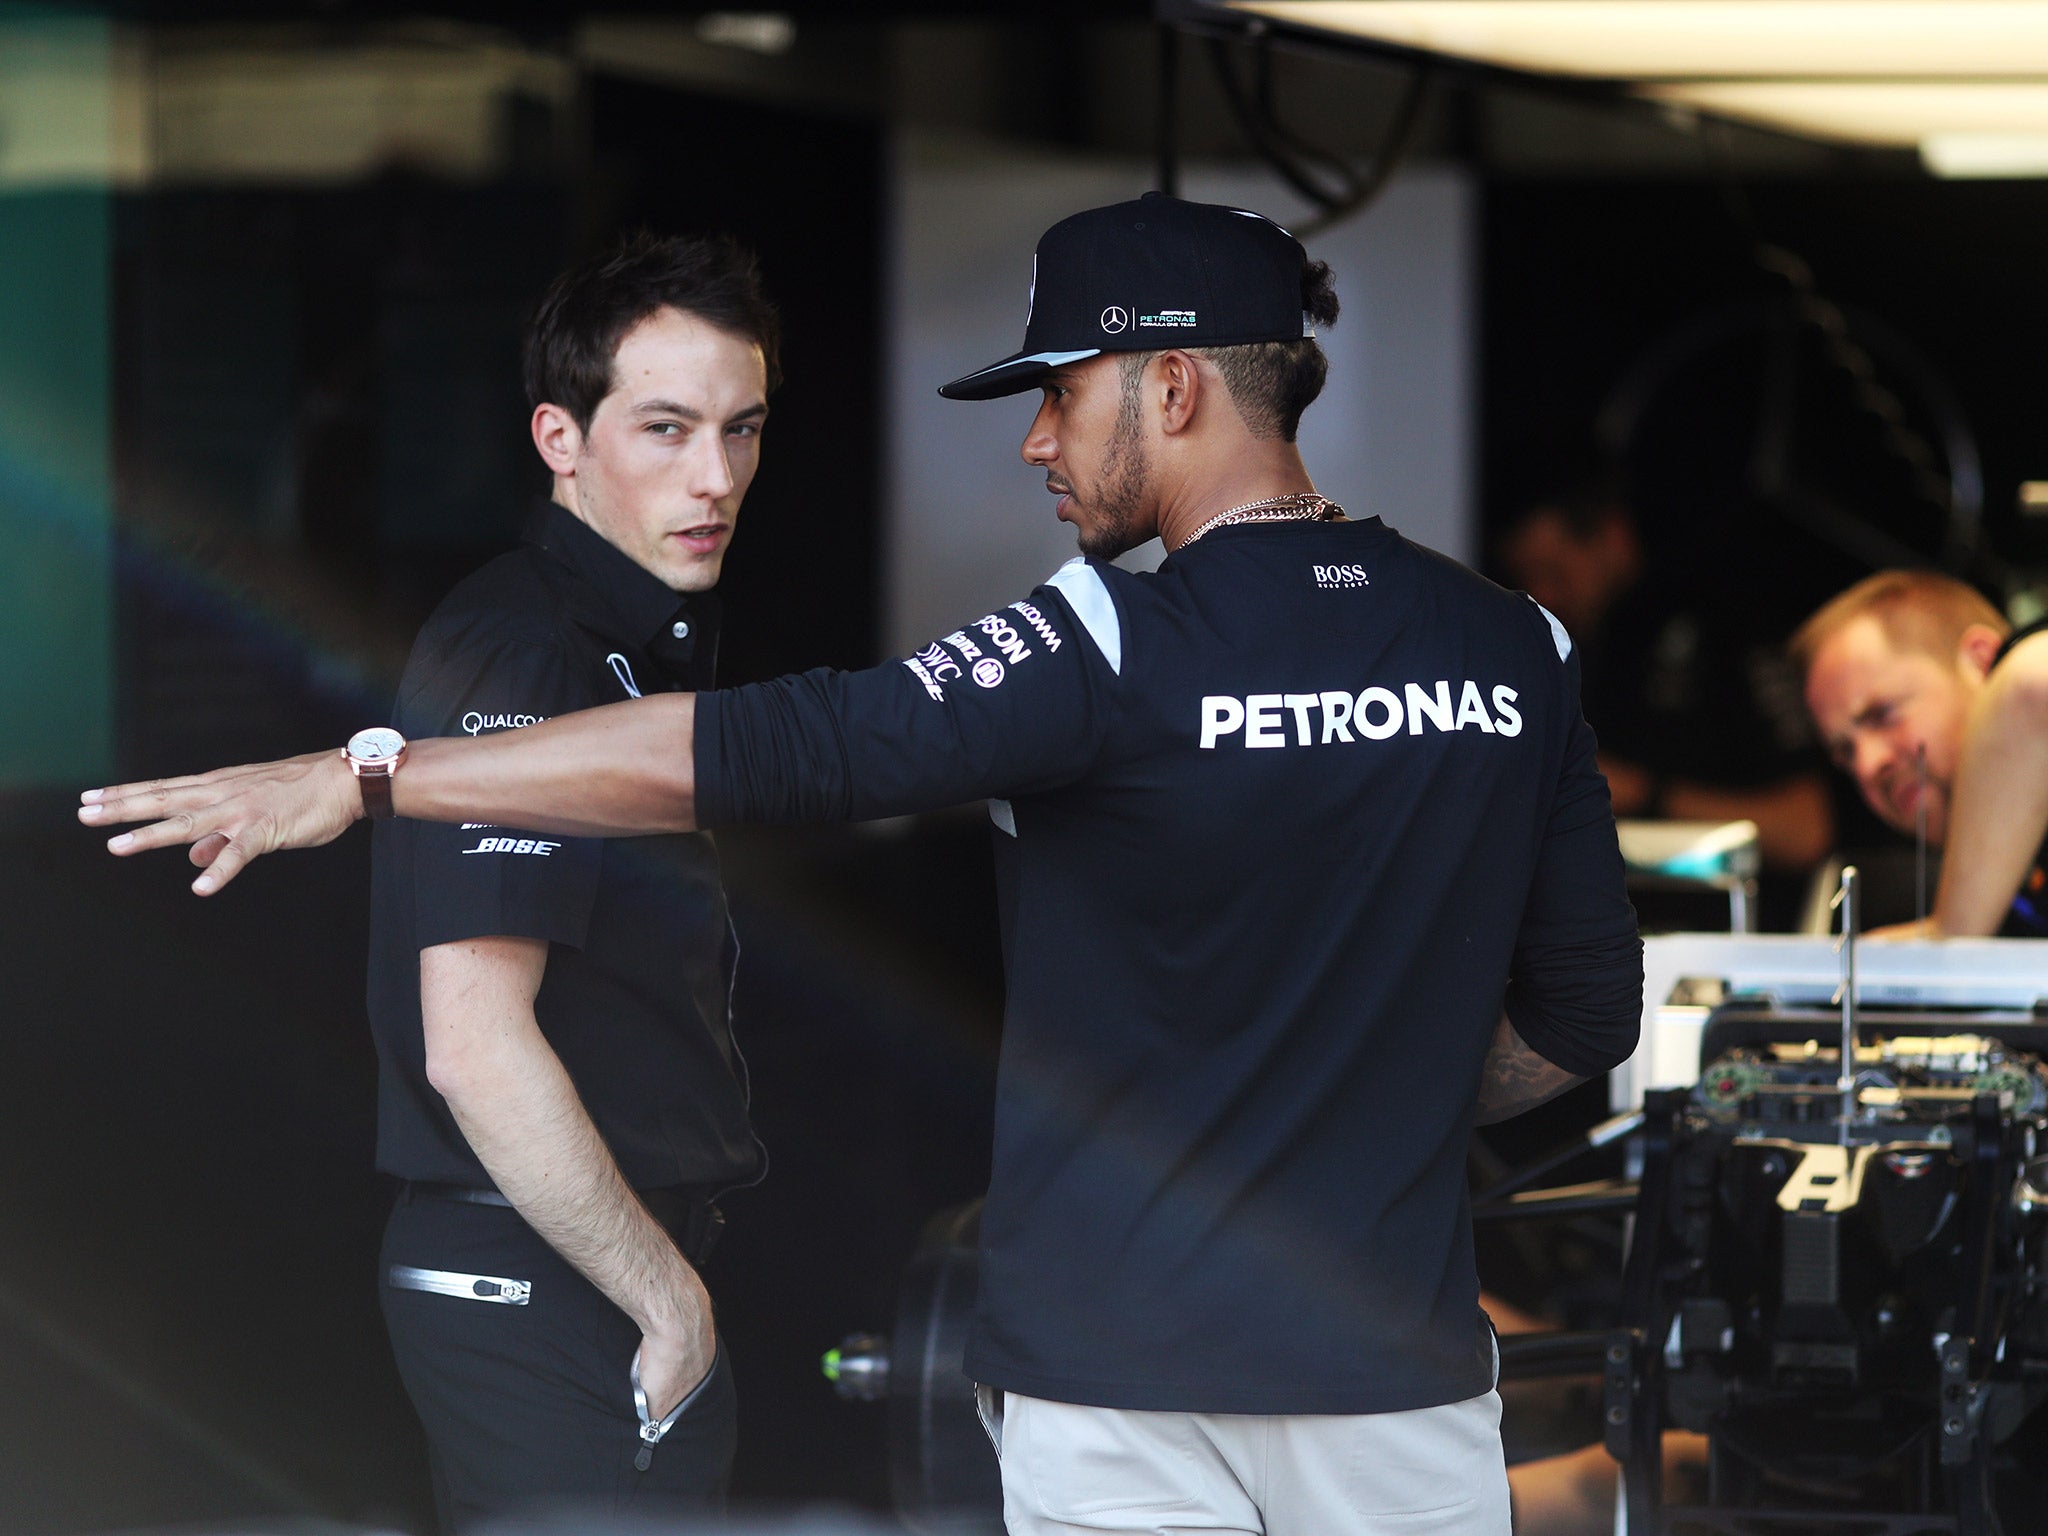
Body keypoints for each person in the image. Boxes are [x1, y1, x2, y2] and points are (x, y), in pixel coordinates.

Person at [82, 192, 1642, 1536]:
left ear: (1171, 386)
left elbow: (783, 750)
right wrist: (1366, 1115)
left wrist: (375, 777)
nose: (1036, 439)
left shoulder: (1102, 638)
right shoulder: (1518, 644)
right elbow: (1587, 1012)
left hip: (1123, 1381)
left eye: (1062, 390)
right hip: (1404, 1382)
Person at [368, 233, 774, 1529]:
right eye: (666, 429)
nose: (716, 478)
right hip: (539, 1272)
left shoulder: (623, 642)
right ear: (560, 437)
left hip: (563, 1264)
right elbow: (474, 1046)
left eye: (742, 429)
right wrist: (666, 1301)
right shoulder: (524, 650)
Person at [1498, 473, 1833, 877]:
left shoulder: (1730, 622)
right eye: (1526, 579)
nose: (1543, 595)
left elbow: (1806, 831)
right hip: (1619, 921)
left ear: (1613, 533)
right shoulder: (1568, 650)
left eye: (1555, 572)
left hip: (1745, 919)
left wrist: (1642, 792)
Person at [1794, 567, 2048, 938]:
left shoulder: (2027, 670)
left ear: (1982, 662)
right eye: (1846, 753)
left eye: (1882, 714)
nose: (1868, 765)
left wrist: (1950, 933)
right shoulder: (2016, 888)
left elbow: (2029, 680)